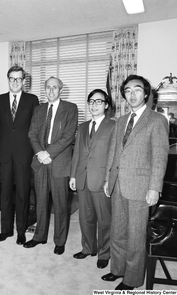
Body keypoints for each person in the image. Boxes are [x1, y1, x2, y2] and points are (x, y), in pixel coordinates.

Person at [102, 75, 169, 290]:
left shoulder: (157, 120)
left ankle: (131, 279)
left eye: (137, 89)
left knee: (136, 235)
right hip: (118, 183)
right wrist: (107, 180)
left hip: (141, 187)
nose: (132, 94)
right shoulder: (121, 121)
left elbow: (160, 157)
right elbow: (113, 153)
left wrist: (154, 188)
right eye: (128, 91)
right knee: (118, 231)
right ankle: (118, 269)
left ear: (146, 93)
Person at [24, 76, 78, 255]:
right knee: (40, 202)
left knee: (61, 204)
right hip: (40, 162)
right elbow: (32, 134)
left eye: (55, 87)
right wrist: (40, 153)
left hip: (59, 162)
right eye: (48, 87)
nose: (51, 90)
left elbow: (68, 136)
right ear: (45, 89)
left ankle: (60, 240)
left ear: (61, 89)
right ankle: (39, 236)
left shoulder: (70, 108)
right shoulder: (39, 110)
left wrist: (49, 153)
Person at [0, 65, 39, 245]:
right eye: (12, 78)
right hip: (3, 154)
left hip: (24, 154)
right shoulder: (0, 100)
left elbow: (35, 128)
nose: (15, 82)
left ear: (24, 81)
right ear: (8, 79)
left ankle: (21, 231)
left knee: (23, 193)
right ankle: (6, 230)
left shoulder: (32, 100)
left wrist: (35, 152)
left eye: (19, 79)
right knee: (4, 194)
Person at [69, 89, 114, 268]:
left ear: (106, 105)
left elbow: (114, 155)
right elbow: (77, 153)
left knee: (104, 220)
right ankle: (88, 248)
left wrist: (109, 179)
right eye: (91, 101)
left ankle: (104, 253)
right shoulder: (82, 126)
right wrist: (73, 175)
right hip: (82, 178)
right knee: (85, 217)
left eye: (98, 101)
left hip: (101, 180)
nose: (94, 105)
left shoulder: (113, 126)